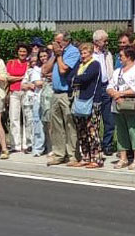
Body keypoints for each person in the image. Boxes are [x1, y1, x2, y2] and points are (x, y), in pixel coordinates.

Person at [108, 46, 135, 170]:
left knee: (134, 130)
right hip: (117, 105)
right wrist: (115, 94)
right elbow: (110, 86)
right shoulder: (118, 71)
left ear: (128, 57)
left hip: (132, 106)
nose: (119, 58)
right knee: (121, 131)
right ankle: (123, 157)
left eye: (121, 56)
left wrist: (121, 94)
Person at [46, 32, 81, 167]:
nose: (55, 44)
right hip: (55, 92)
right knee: (56, 126)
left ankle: (73, 155)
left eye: (58, 42)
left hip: (67, 93)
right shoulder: (56, 54)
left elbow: (63, 70)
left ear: (66, 41)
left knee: (70, 125)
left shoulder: (73, 52)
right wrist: (54, 56)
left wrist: (59, 55)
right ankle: (59, 154)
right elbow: (45, 70)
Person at [71, 42, 104, 169]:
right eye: (81, 53)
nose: (83, 56)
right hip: (79, 100)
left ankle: (96, 158)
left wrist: (77, 78)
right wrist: (77, 78)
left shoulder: (95, 65)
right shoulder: (79, 65)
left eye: (85, 53)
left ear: (91, 54)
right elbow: (70, 77)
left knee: (92, 130)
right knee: (81, 131)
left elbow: (85, 78)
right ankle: (86, 156)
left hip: (92, 101)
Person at [91, 30, 116, 156]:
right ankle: (94, 145)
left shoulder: (108, 54)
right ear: (96, 41)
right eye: (104, 40)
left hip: (106, 87)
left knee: (109, 119)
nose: (106, 43)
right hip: (94, 88)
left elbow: (110, 70)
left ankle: (107, 144)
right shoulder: (90, 54)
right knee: (94, 119)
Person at [5, 44, 31, 154]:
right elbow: (7, 77)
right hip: (14, 92)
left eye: (24, 52)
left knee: (27, 118)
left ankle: (27, 144)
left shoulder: (29, 63)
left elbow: (30, 76)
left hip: (26, 91)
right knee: (14, 118)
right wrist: (21, 78)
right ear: (17, 52)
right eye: (20, 51)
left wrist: (15, 78)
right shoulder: (11, 63)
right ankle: (15, 144)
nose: (22, 53)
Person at [23, 48, 47, 157]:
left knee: (51, 124)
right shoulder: (36, 68)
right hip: (38, 98)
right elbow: (37, 83)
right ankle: (38, 148)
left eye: (45, 56)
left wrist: (45, 79)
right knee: (37, 123)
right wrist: (47, 79)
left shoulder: (54, 67)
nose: (43, 58)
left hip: (50, 98)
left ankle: (50, 147)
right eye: (41, 56)